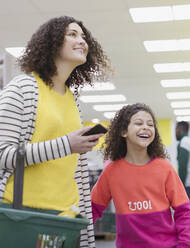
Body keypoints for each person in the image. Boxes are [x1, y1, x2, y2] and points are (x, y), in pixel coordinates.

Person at [0, 16, 111, 247]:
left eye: (83, 36)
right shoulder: (23, 88)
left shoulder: (73, 101)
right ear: (52, 42)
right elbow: (3, 154)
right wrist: (66, 145)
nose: (82, 41)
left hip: (64, 218)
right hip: (22, 215)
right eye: (72, 34)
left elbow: (74, 169)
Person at [91, 103, 190, 248]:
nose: (145, 127)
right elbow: (92, 209)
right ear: (123, 131)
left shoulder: (165, 169)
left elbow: (183, 212)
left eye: (150, 124)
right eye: (138, 123)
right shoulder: (111, 172)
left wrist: (186, 245)